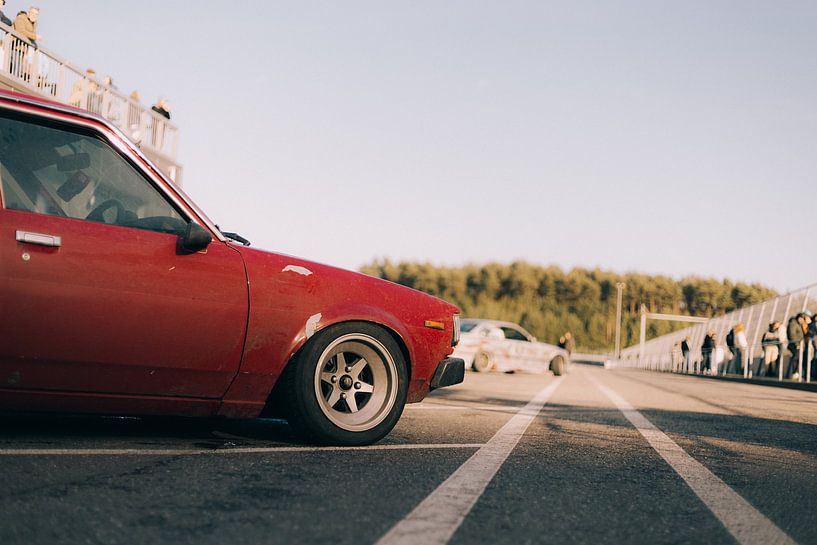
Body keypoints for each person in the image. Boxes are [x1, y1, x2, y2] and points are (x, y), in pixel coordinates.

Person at [786, 314, 805, 380]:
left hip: (798, 345)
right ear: (799, 318)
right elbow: (792, 334)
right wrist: (797, 344)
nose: (802, 321)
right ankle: (795, 373)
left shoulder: (797, 324)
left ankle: (795, 373)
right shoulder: (793, 323)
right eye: (802, 319)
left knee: (797, 359)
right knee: (796, 359)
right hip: (796, 345)